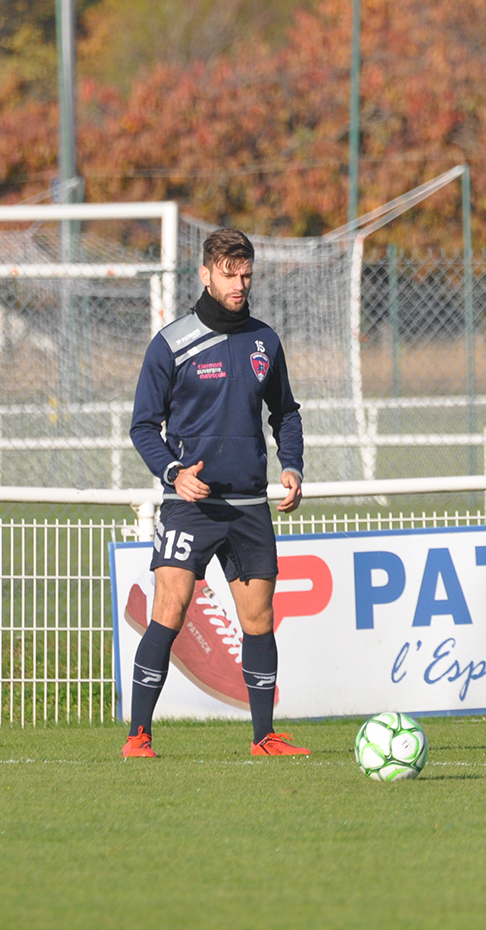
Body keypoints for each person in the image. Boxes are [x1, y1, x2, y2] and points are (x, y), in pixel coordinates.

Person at [123, 228, 308, 759]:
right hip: (191, 505)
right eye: (230, 274)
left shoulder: (264, 341)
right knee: (169, 610)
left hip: (248, 505)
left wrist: (292, 466)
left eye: (246, 274)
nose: (240, 284)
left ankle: (264, 737)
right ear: (206, 275)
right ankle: (138, 736)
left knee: (259, 620)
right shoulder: (171, 343)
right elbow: (143, 427)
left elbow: (285, 413)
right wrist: (174, 472)